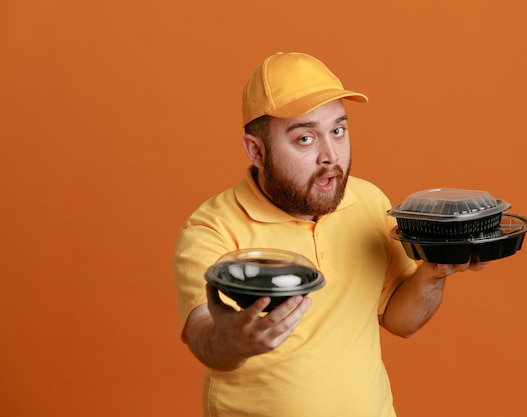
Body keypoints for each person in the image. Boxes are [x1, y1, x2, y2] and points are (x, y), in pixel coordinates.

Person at [173, 52, 488, 417]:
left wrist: (434, 274)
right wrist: (233, 341)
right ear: (257, 151)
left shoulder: (368, 201)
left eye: (338, 131)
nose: (331, 155)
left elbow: (402, 322)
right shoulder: (212, 227)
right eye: (305, 138)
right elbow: (203, 333)